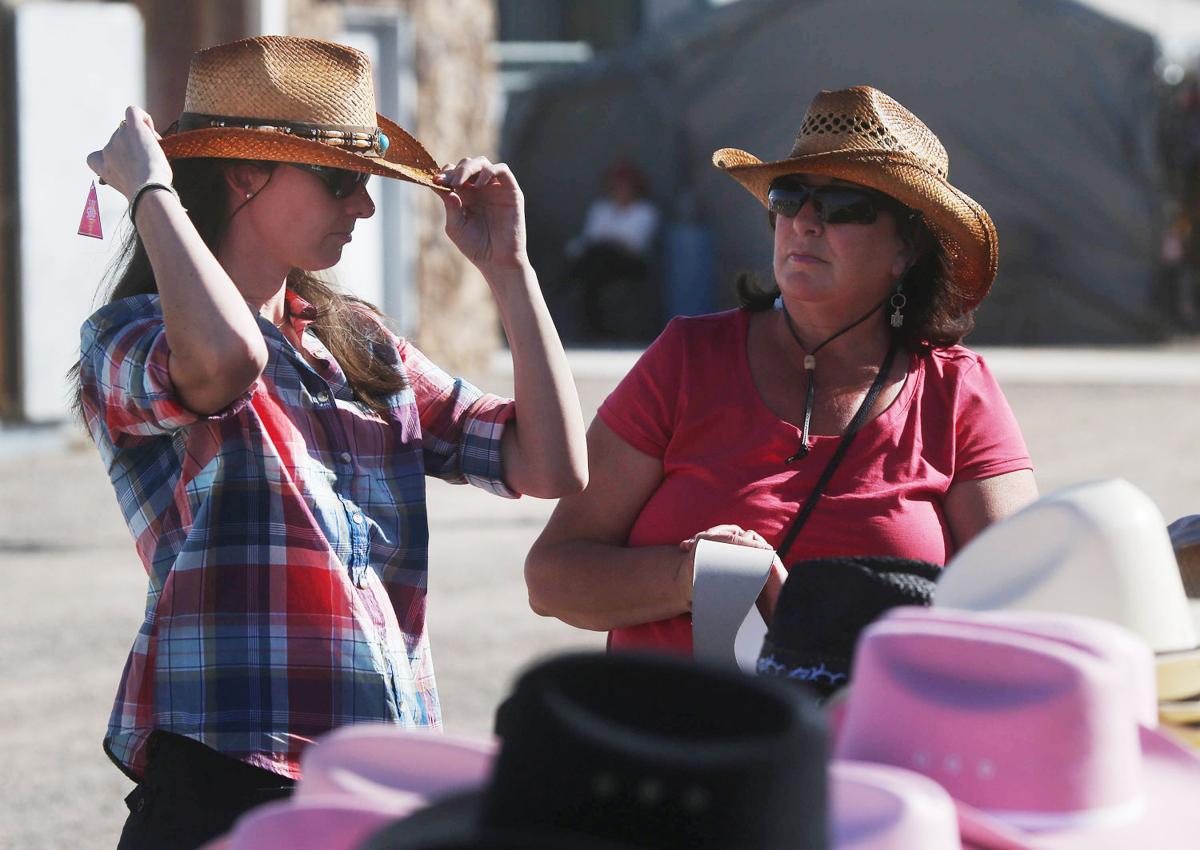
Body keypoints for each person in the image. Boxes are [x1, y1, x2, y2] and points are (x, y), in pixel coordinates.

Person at [76, 35, 586, 850]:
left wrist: (511, 270)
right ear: (246, 172)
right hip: (227, 774)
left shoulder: (357, 341)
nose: (365, 207)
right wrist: (151, 191)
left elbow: (552, 465)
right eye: (342, 180)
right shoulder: (130, 336)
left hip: (381, 771)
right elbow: (229, 361)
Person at [525, 86, 1037, 653]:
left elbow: (1025, 604)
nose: (806, 221)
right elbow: (552, 577)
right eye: (790, 197)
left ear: (907, 249)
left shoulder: (956, 390)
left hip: (861, 738)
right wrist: (689, 577)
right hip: (669, 732)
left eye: (844, 205)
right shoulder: (686, 359)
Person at [565, 160, 661, 338]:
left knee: (596, 262)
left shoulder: (645, 212)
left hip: (629, 264)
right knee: (592, 266)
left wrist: (607, 242)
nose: (620, 190)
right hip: (598, 262)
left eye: (625, 186)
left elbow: (633, 244)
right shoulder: (601, 209)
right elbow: (590, 237)